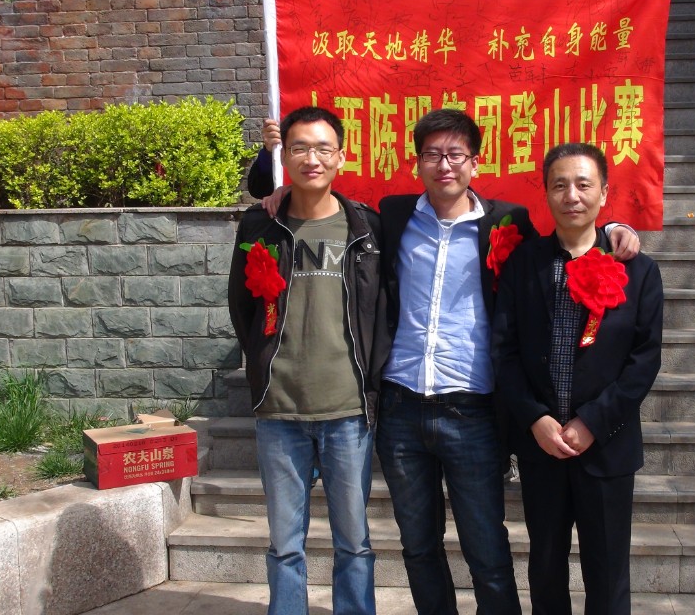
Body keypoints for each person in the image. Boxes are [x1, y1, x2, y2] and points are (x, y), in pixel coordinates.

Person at [255, 108, 642, 615]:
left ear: (475, 163)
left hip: (472, 412)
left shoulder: (507, 222)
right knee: (418, 547)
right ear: (417, 163)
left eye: (456, 155)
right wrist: (280, 191)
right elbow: (319, 204)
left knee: (487, 550)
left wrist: (614, 227)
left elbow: (570, 234)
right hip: (402, 410)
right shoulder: (390, 217)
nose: (445, 165)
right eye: (433, 155)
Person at [491, 142, 664, 615]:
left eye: (584, 185)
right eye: (560, 185)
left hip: (607, 446)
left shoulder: (639, 271)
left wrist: (593, 421)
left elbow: (644, 360)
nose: (572, 196)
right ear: (546, 193)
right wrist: (535, 419)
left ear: (604, 193)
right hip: (542, 446)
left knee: (608, 574)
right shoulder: (524, 264)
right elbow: (504, 352)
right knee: (545, 568)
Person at [227, 106, 385, 615]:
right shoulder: (262, 223)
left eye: (322, 148)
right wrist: (261, 361)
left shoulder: (367, 227)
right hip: (280, 410)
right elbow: (241, 305)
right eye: (299, 147)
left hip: (348, 409)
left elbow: (383, 308)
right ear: (286, 155)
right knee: (285, 544)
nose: (311, 158)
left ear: (341, 156)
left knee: (354, 541)